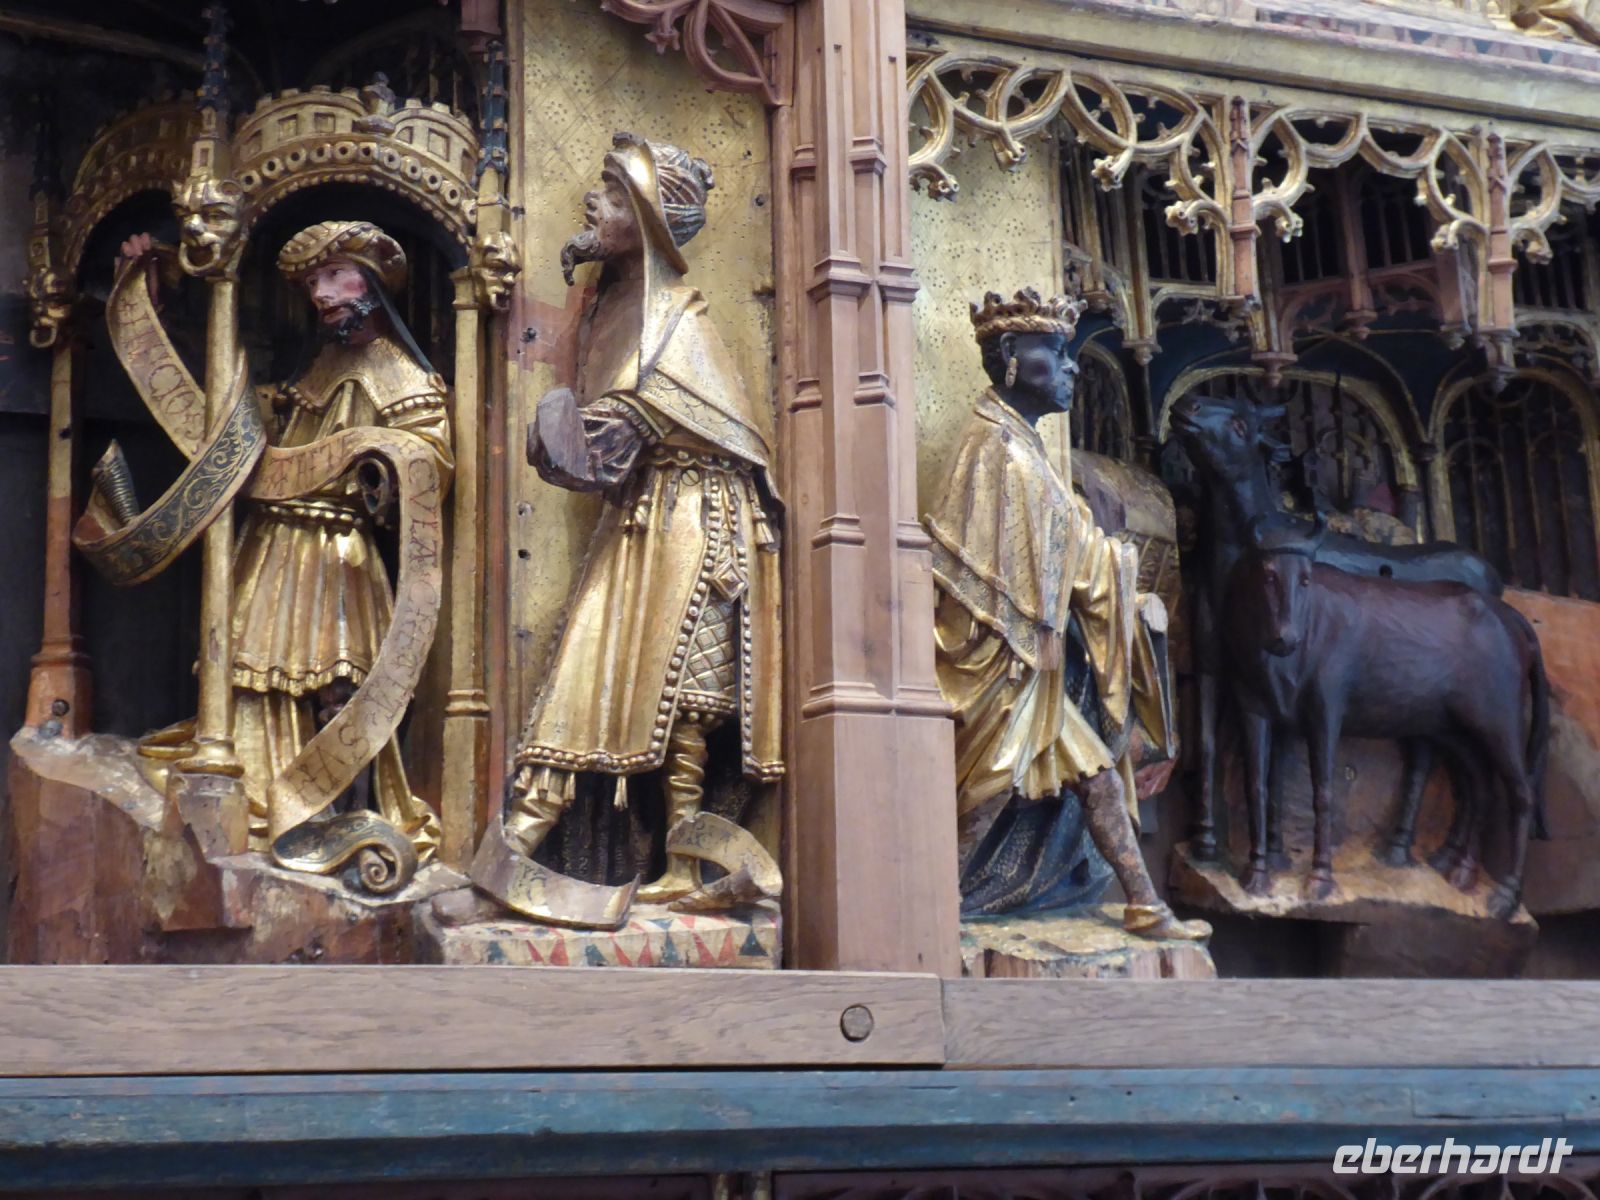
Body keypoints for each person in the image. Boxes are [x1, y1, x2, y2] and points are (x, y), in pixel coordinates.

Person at [502, 132, 783, 903]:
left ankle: (682, 859)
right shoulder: (611, 308)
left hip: (696, 514)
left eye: (616, 194)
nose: (594, 203)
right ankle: (532, 836)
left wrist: (637, 421)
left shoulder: (677, 318)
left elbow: (727, 426)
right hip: (644, 514)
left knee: (680, 687)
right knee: (601, 669)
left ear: (652, 221)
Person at [131, 220, 452, 861]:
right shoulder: (320, 363)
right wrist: (165, 308)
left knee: (339, 682)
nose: (322, 294)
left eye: (335, 275)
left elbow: (432, 465)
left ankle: (338, 810)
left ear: (374, 280)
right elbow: (246, 418)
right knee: (248, 677)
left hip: (338, 549)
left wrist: (379, 468)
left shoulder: (405, 378)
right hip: (275, 538)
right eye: (312, 283)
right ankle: (258, 783)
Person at [927, 287, 1208, 939]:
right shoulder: (999, 450)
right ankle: (935, 900)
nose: (1073, 368)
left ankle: (1144, 901)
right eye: (1055, 354)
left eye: (1070, 355)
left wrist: (1107, 552)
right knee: (993, 789)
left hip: (1035, 666)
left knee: (1096, 779)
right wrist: (1104, 548)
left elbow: (1065, 553)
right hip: (1005, 661)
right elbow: (1020, 563)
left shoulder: (1023, 448)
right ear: (1008, 358)